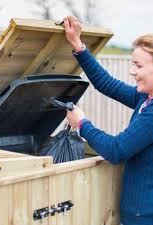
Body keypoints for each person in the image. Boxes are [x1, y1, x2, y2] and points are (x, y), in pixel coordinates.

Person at [64, 16, 153, 225]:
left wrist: (82, 124)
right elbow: (107, 84)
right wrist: (78, 45)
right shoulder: (145, 98)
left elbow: (116, 150)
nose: (132, 71)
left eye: (138, 66)